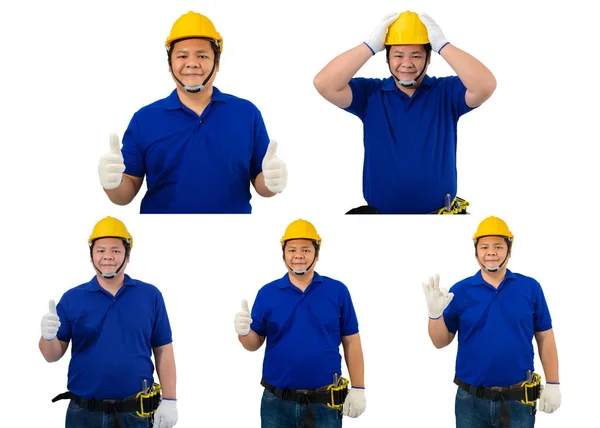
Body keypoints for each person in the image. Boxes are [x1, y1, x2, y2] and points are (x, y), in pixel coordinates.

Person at [98, 11, 288, 213]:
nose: (192, 63)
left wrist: (271, 182)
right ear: (170, 64)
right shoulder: (144, 119)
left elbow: (261, 184)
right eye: (182, 55)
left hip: (233, 234)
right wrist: (113, 184)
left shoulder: (247, 113)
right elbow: (125, 195)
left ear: (217, 63)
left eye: (202, 55)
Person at [313, 11, 496, 214]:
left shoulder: (446, 93)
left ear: (428, 59)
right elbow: (324, 84)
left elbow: (485, 85)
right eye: (398, 55)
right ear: (387, 59)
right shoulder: (370, 94)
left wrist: (443, 46)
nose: (406, 64)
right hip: (378, 218)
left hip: (440, 217)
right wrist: (369, 46)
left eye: (416, 55)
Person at [39, 216, 178, 428]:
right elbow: (52, 355)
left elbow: (163, 350)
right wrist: (47, 337)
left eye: (115, 250)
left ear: (127, 255)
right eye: (101, 250)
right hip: (83, 414)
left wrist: (169, 400)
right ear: (91, 256)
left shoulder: (150, 296)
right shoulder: (71, 299)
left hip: (135, 414)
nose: (108, 257)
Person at [423, 216, 561, 427]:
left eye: (498, 246)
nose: (491, 252)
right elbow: (440, 342)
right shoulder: (460, 291)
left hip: (518, 401)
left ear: (509, 250)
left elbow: (545, 337)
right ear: (476, 252)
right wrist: (435, 315)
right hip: (470, 401)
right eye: (484, 246)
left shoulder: (530, 288)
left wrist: (553, 383)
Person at [234, 219, 366, 427]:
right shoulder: (267, 293)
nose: (298, 256)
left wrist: (359, 388)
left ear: (317, 253)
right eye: (292, 249)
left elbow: (351, 341)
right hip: (276, 403)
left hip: (325, 403)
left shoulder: (337, 291)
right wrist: (243, 333)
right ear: (284, 254)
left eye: (305, 249)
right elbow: (254, 343)